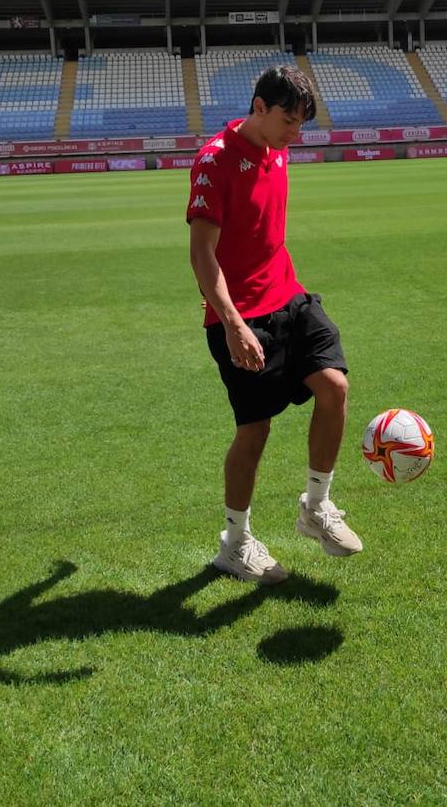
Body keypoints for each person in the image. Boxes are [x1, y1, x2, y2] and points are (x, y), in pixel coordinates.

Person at [187, 64, 362, 584]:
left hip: (288, 297)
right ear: (258, 107)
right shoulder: (214, 163)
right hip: (239, 315)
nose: (295, 135)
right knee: (254, 431)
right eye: (288, 121)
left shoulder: (277, 147)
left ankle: (316, 505)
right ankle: (235, 544)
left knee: (335, 386)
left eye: (301, 124)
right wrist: (234, 326)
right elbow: (202, 256)